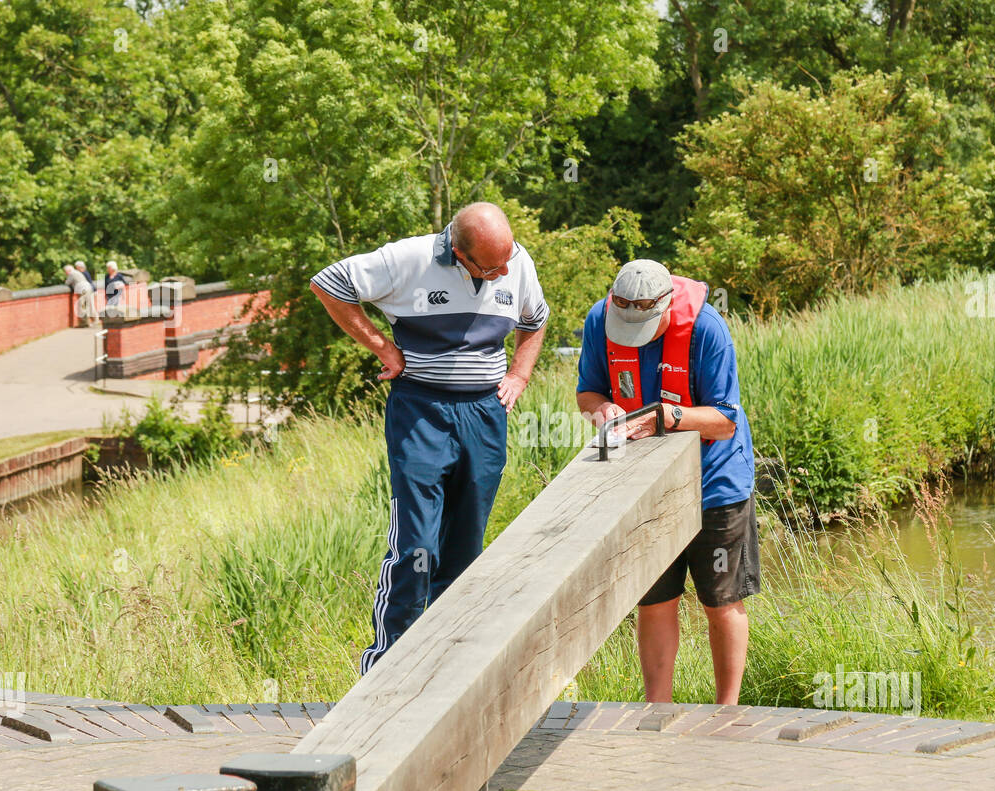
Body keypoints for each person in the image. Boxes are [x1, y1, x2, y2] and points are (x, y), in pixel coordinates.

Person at [310, 202, 549, 674]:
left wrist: (519, 375)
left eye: (508, 260)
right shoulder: (408, 259)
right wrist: (383, 348)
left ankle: (446, 669)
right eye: (491, 266)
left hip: (485, 413)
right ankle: (386, 667)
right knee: (417, 544)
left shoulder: (515, 261)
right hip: (421, 410)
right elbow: (329, 284)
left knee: (465, 548)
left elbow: (534, 320)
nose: (504, 271)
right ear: (459, 252)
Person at [576, 259, 758, 705]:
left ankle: (726, 712)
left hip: (715, 485)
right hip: (645, 489)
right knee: (654, 601)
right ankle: (657, 710)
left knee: (721, 600)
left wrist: (666, 416)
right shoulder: (600, 321)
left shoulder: (707, 329)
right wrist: (601, 411)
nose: (633, 337)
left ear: (667, 308)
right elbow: (589, 391)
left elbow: (724, 421)